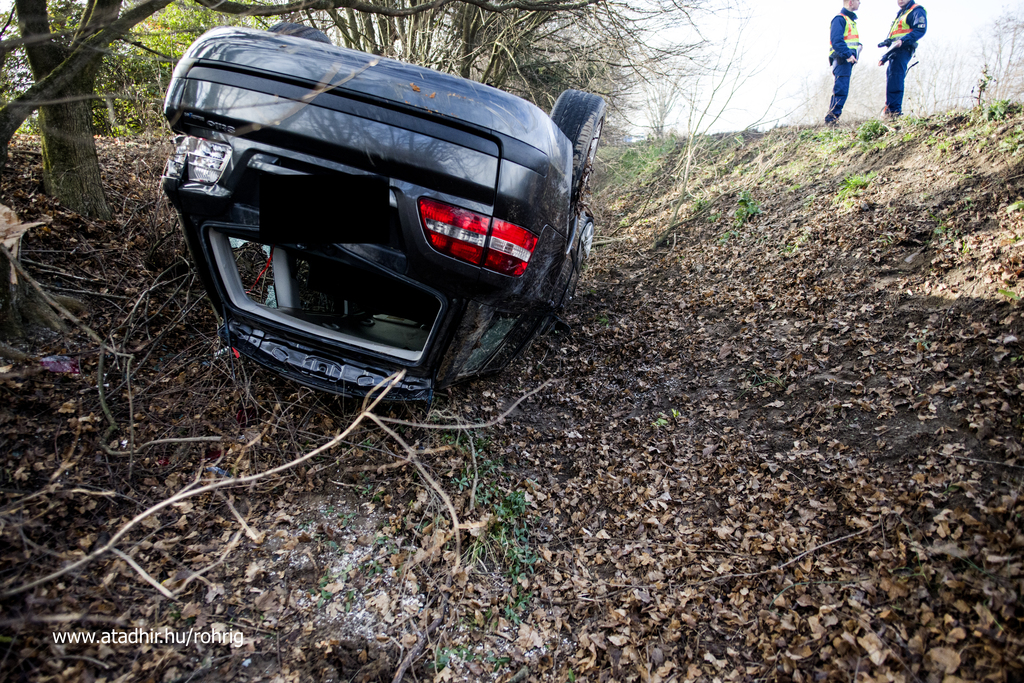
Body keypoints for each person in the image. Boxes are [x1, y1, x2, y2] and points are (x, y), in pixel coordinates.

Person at [879, 0, 927, 118]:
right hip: (894, 51)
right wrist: (884, 57)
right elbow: (895, 36)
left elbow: (920, 30)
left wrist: (903, 41)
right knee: (891, 79)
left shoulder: (916, 10)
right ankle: (890, 109)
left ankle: (894, 111)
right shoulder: (901, 14)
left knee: (896, 78)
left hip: (903, 49)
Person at [826, 0, 863, 125]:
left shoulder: (849, 20)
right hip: (842, 60)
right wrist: (848, 54)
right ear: (851, 2)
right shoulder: (840, 19)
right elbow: (836, 41)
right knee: (841, 89)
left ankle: (833, 118)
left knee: (842, 89)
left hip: (845, 60)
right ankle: (831, 119)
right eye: (858, 1)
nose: (860, 3)